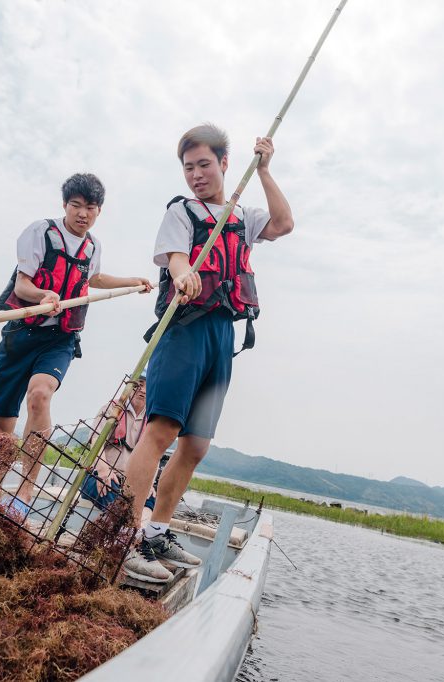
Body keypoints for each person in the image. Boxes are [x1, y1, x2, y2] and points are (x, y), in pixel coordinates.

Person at [121, 125, 294, 582]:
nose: (196, 175)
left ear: (223, 163)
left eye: (204, 164)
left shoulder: (239, 216)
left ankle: (156, 532)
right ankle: (122, 537)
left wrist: (265, 170)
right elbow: (176, 256)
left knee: (196, 445)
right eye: (188, 166)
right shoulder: (182, 211)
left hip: (222, 336)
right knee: (160, 430)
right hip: (183, 329)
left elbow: (283, 223)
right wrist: (182, 273)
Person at [0, 173, 152, 515]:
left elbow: (95, 278)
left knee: (40, 394)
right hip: (21, 334)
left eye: (90, 208)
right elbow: (22, 284)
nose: (82, 214)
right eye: (76, 205)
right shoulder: (40, 232)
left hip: (59, 338)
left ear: (98, 211)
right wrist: (43, 294)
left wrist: (132, 281)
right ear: (65, 205)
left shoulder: (93, 246)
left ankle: (26, 492)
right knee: (2, 428)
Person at [81, 373, 157, 526]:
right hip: (101, 476)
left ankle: (137, 532)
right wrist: (103, 471)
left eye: (149, 386)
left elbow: (154, 455)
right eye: (139, 384)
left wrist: (149, 484)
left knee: (152, 498)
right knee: (116, 497)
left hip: (129, 483)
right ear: (130, 386)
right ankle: (123, 535)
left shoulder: (152, 419)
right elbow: (96, 440)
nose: (143, 390)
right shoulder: (111, 409)